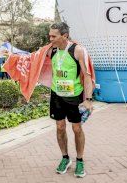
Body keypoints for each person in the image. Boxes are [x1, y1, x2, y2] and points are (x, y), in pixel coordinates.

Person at [48, 22, 93, 178]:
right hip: (57, 96)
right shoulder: (50, 50)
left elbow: (87, 76)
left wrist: (88, 99)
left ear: (64, 36)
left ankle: (79, 160)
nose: (50, 38)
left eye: (53, 36)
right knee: (60, 127)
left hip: (74, 96)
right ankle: (65, 158)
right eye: (50, 35)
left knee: (76, 129)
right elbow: (34, 61)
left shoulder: (78, 50)